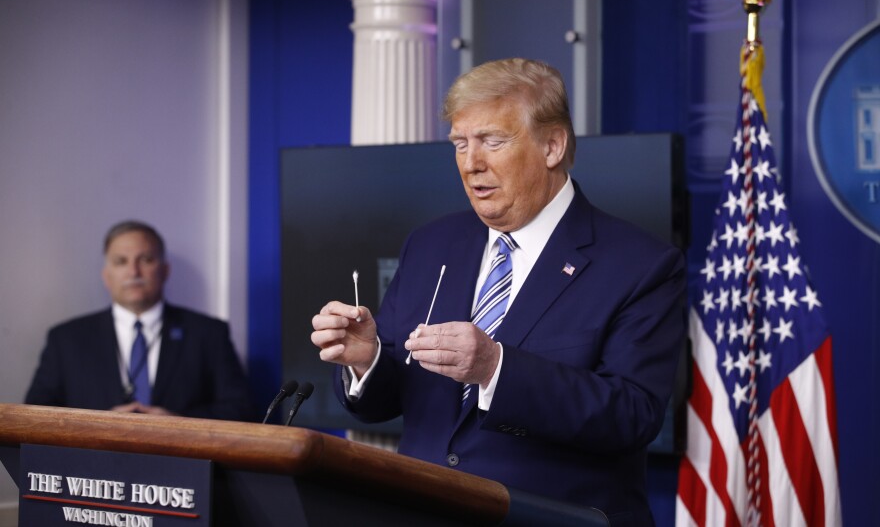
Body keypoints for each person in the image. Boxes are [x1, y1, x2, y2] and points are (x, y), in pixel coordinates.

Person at [311, 58, 686, 526]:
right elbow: (394, 400)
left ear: (552, 145)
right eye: (460, 144)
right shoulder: (430, 244)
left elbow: (633, 415)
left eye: (492, 141)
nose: (471, 164)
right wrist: (366, 362)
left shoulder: (641, 264)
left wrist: (496, 368)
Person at [25, 220, 253, 421]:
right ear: (107, 276)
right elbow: (34, 417)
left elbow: (242, 410)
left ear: (164, 271)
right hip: (91, 466)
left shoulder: (208, 333)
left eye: (146, 259)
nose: (133, 271)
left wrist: (180, 423)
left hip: (180, 465)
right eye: (121, 261)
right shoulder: (66, 339)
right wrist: (97, 424)